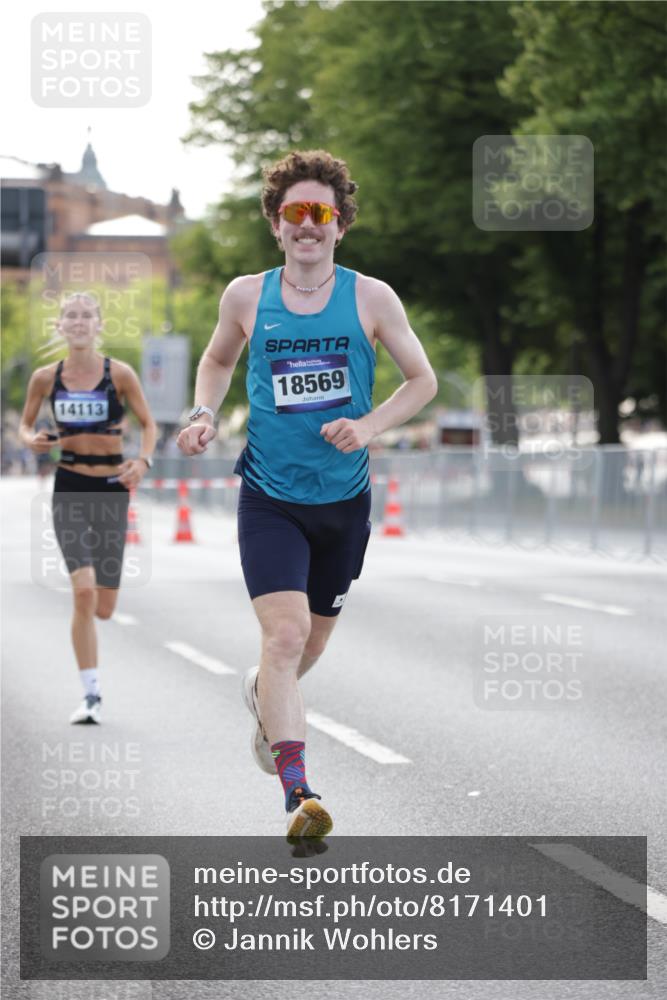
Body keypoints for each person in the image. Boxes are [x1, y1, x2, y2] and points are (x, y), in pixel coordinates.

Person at [177, 150, 437, 837]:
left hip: (343, 501)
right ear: (276, 223)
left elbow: (421, 380)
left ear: (340, 224)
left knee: (310, 643)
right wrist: (203, 413)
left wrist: (369, 425)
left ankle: (261, 691)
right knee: (285, 635)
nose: (307, 225)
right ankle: (299, 795)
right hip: (269, 496)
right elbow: (216, 360)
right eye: (294, 212)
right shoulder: (244, 296)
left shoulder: (371, 298)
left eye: (320, 212)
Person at [20, 292, 157, 724]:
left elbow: (148, 424)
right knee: (82, 592)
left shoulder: (120, 374)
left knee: (104, 606)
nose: (78, 322)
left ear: (98, 325)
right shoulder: (46, 378)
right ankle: (92, 694)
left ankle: (93, 674)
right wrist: (31, 440)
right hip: (71, 487)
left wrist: (143, 459)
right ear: (60, 326)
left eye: (86, 316)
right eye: (70, 316)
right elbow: (26, 423)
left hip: (113, 490)